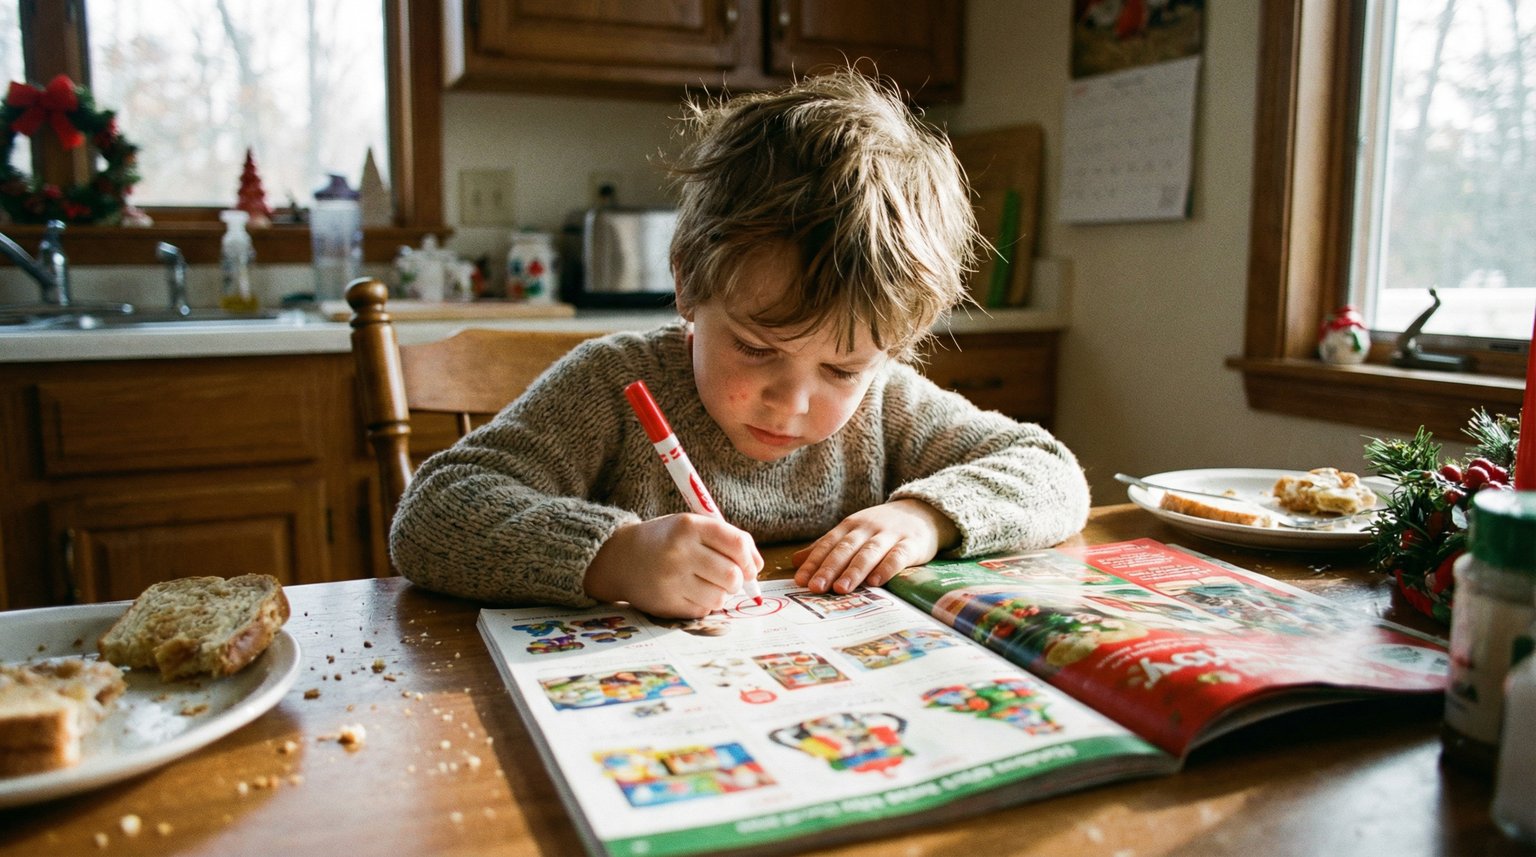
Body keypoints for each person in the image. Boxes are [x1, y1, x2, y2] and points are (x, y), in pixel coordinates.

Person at [390, 69, 1091, 618]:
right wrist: (614, 556)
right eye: (758, 348)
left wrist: (926, 517)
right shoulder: (611, 386)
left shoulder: (889, 404)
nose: (792, 403)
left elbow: (1051, 471)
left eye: (842, 368)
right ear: (690, 286)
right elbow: (432, 513)